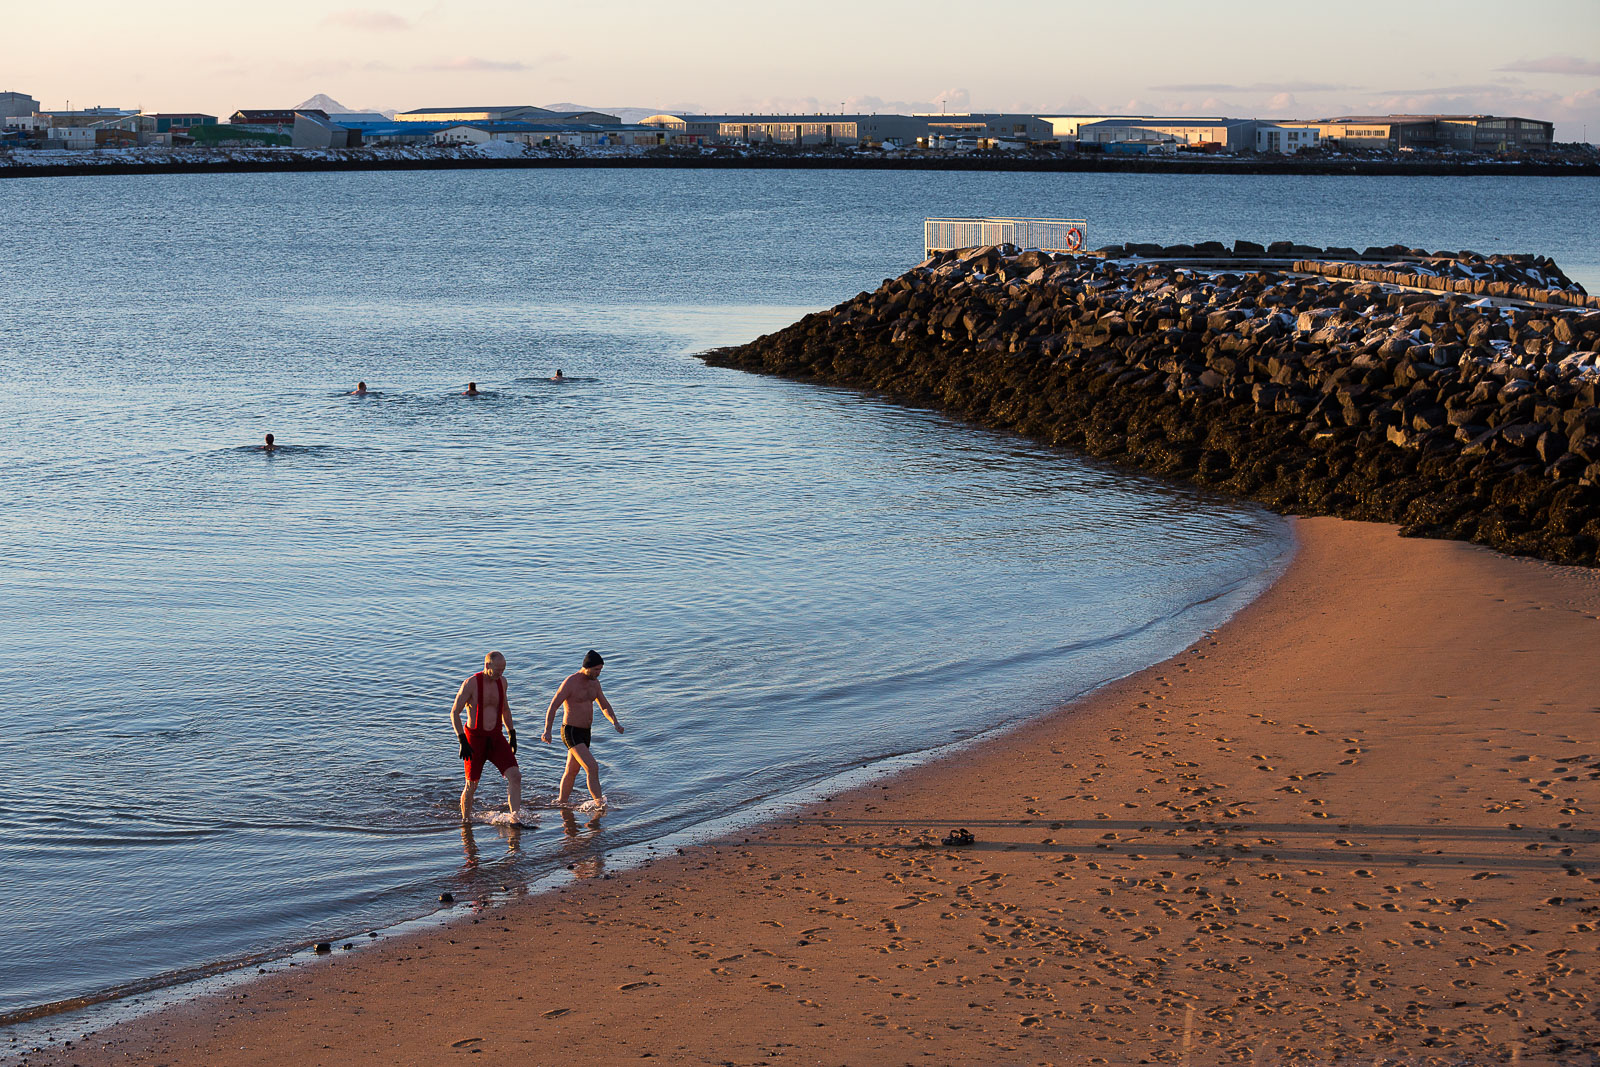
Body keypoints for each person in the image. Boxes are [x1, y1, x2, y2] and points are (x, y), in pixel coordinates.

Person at [541, 649, 622, 807]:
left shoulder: (595, 684)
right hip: (571, 731)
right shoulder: (571, 682)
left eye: (600, 670)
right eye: (596, 670)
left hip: (585, 733)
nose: (599, 673)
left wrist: (615, 722)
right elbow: (553, 706)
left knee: (572, 770)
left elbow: (604, 705)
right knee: (592, 767)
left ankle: (561, 803)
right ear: (587, 667)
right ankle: (600, 805)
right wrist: (547, 730)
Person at [451, 651, 522, 822]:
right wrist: (462, 740)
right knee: (471, 784)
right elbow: (454, 713)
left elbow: (505, 708)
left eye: (503, 669)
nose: (501, 673)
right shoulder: (471, 684)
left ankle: (515, 819)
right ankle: (466, 822)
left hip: (496, 737)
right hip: (474, 738)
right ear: (487, 665)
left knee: (515, 776)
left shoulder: (502, 682)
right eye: (498, 669)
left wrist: (511, 733)